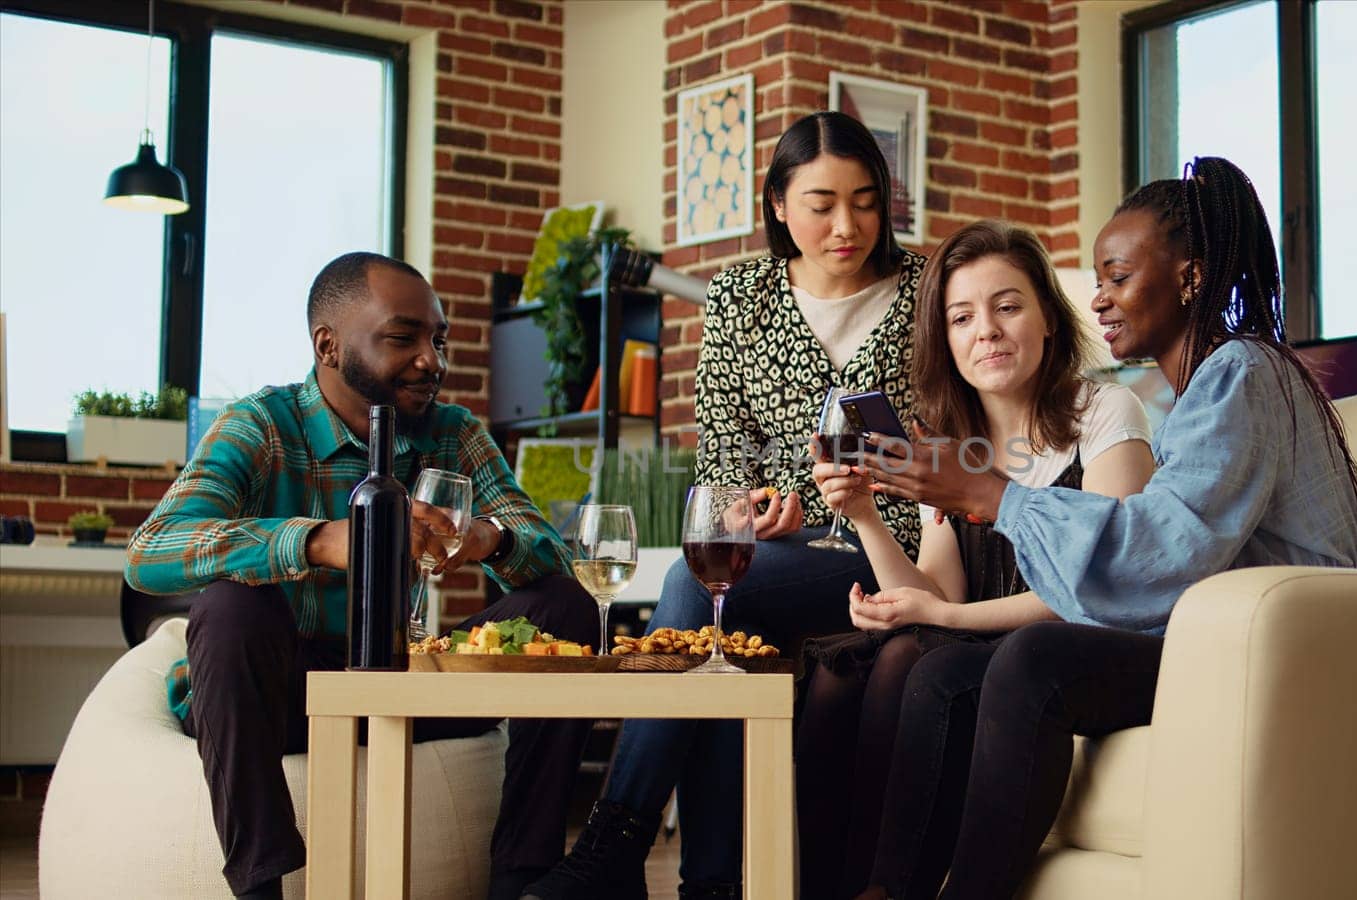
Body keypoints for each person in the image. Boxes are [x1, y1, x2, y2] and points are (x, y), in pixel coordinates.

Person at [851, 157, 1357, 899]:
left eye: (1118, 277)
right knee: (939, 674)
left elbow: (1160, 557)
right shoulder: (1201, 392)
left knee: (1035, 661)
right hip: (1211, 639)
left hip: (1274, 652)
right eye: (1097, 280)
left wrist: (998, 496)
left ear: (1189, 277)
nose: (1099, 300)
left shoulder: (1241, 375)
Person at [525, 111, 925, 900]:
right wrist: (753, 506)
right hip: (774, 553)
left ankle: (621, 838)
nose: (846, 224)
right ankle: (707, 885)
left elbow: (942, 438)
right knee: (717, 615)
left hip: (890, 548)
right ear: (778, 203)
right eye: (820, 202)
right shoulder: (739, 296)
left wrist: (815, 507)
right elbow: (721, 453)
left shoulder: (927, 290)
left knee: (700, 590)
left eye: (865, 200)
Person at [125, 252, 599, 900]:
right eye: (403, 338)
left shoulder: (453, 431)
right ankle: (261, 888)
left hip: (399, 686)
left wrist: (491, 537)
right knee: (230, 609)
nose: (431, 359)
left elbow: (551, 552)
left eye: (438, 339)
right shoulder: (262, 425)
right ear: (328, 345)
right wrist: (317, 541)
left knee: (564, 606)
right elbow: (151, 549)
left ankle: (523, 879)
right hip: (277, 695)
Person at [795, 220, 1155, 899]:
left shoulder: (1106, 412)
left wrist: (943, 613)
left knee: (913, 655)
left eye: (1007, 306)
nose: (985, 330)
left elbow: (1109, 582)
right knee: (840, 670)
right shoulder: (953, 445)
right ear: (946, 340)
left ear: (1048, 317)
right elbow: (933, 590)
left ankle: (886, 889)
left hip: (1067, 649)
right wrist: (867, 516)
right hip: (981, 640)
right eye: (962, 317)